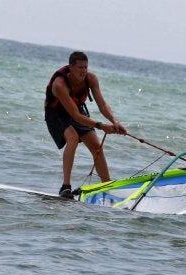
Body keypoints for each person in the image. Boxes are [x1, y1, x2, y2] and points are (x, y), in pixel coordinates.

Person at [44, 51, 127, 198]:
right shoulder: (60, 85)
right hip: (56, 114)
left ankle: (106, 188)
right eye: (80, 67)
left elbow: (102, 105)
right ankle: (65, 186)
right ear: (71, 67)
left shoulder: (91, 79)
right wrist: (101, 126)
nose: (83, 71)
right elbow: (75, 115)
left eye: (85, 67)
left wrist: (114, 121)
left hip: (77, 110)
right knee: (73, 138)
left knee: (96, 146)